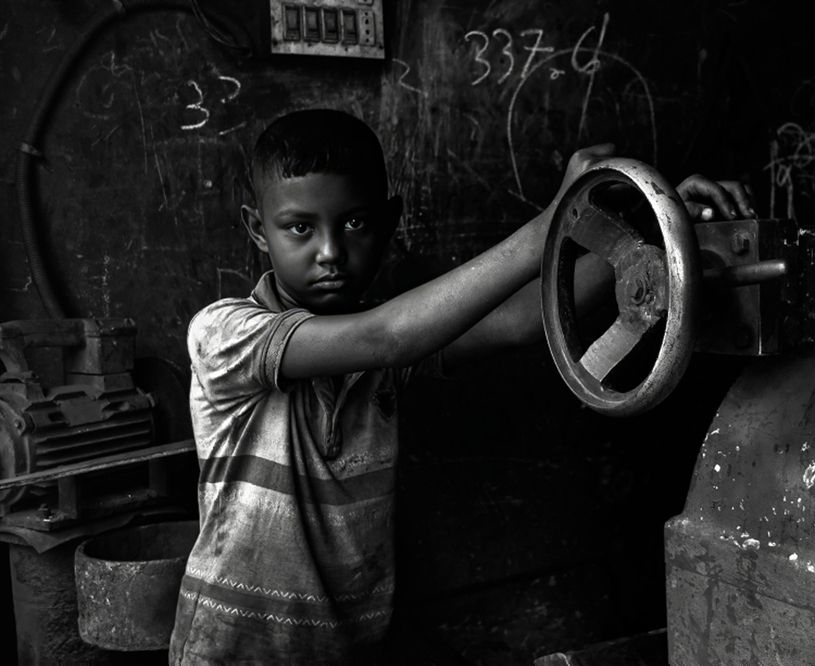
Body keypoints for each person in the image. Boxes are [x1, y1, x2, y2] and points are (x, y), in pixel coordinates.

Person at [168, 108, 754, 665]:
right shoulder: (225, 335)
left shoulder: (390, 350)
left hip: (348, 650)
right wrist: (550, 225)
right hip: (230, 651)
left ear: (390, 221)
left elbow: (526, 319)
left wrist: (667, 229)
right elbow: (387, 336)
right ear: (257, 229)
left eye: (355, 223)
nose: (330, 252)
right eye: (299, 227)